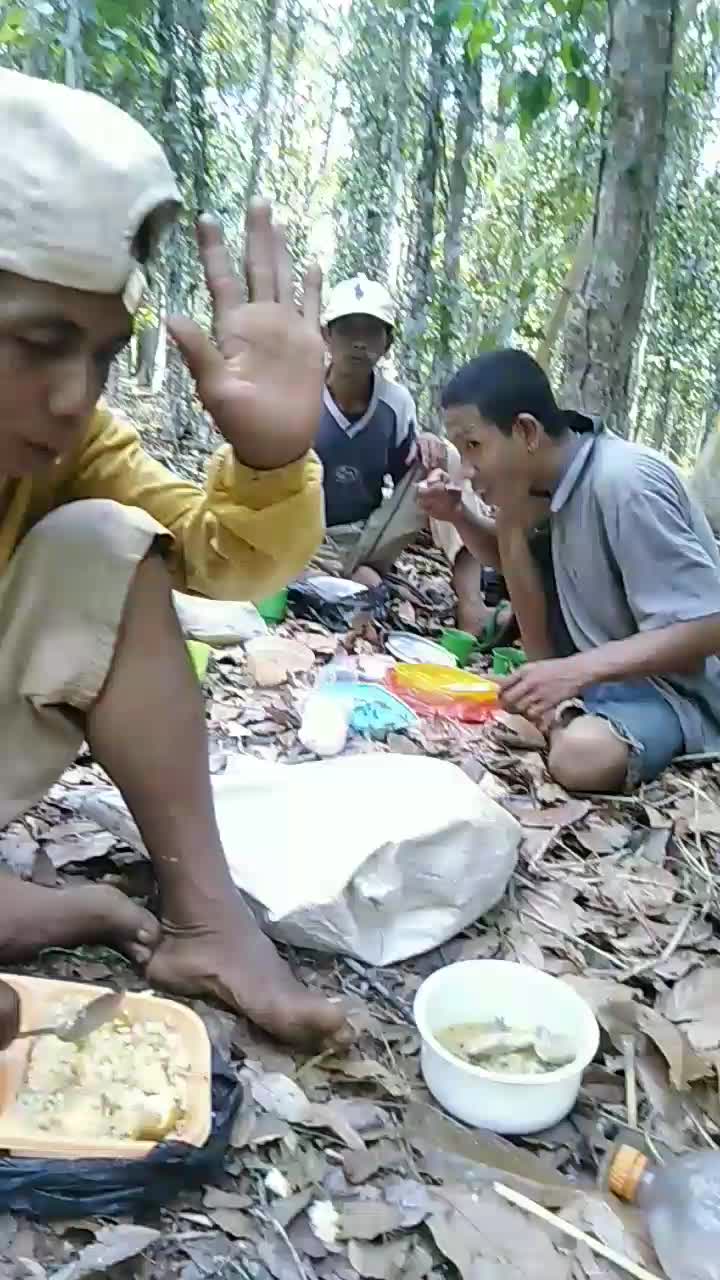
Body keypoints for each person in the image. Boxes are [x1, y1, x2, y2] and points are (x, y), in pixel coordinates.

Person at [0, 68, 346, 1047]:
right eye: (38, 342)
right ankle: (74, 908)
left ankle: (207, 920)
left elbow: (213, 556)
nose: (77, 395)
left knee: (107, 543)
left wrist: (273, 454)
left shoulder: (72, 446)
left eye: (103, 355)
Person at [418, 348, 720, 793]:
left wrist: (574, 672)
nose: (467, 467)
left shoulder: (625, 482)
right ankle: (558, 714)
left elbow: (708, 624)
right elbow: (516, 562)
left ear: (526, 431)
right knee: (495, 699)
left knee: (581, 757)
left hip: (674, 693)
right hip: (599, 680)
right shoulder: (540, 484)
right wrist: (460, 515)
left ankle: (560, 719)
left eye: (474, 446)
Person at [314, 275, 514, 641]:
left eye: (371, 332)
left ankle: (470, 604)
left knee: (446, 460)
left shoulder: (395, 403)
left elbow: (411, 474)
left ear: (387, 342)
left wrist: (427, 447)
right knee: (332, 579)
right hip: (309, 540)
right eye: (347, 330)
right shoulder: (301, 394)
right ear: (327, 335)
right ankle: (349, 583)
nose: (359, 343)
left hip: (367, 537)